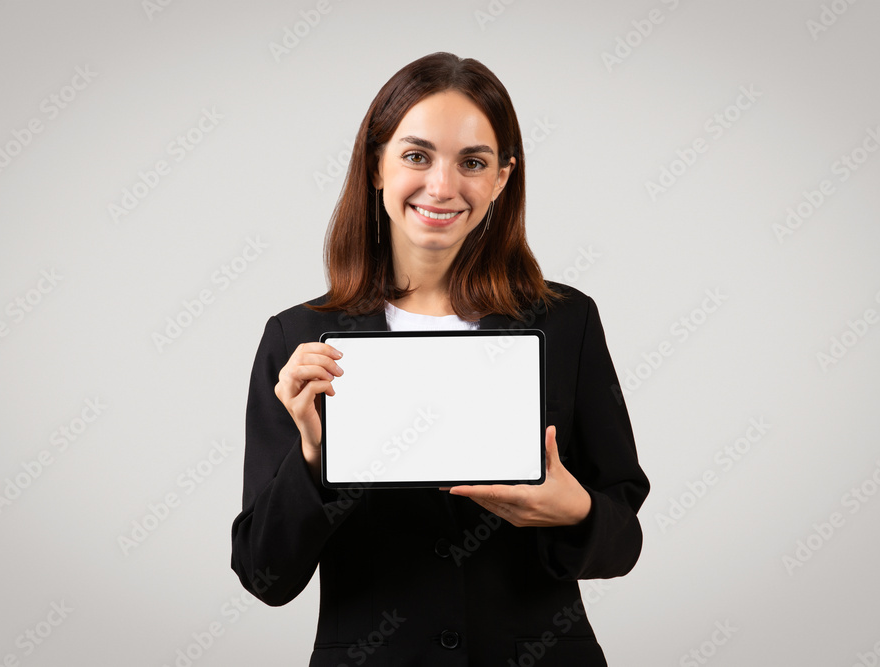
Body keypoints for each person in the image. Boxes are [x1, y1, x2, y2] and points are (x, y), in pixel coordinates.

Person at [231, 52, 650, 666]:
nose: (442, 186)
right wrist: (314, 457)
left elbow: (622, 541)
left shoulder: (566, 323)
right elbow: (264, 575)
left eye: (473, 163)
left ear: (502, 179)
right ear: (377, 165)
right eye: (416, 155)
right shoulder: (301, 339)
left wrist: (577, 511)